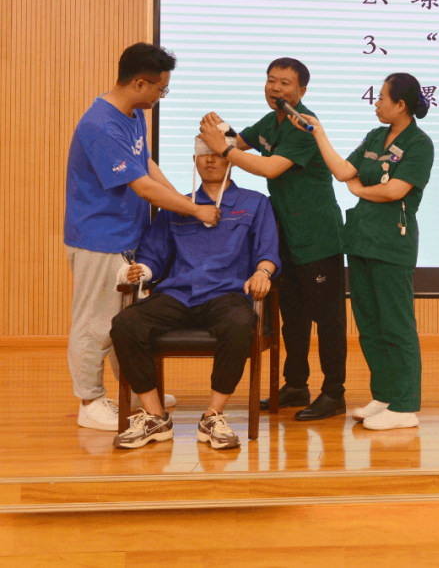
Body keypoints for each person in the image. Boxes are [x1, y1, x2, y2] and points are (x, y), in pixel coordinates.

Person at [64, 44, 220, 431]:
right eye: (160, 89)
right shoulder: (100, 126)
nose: (161, 96)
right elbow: (143, 187)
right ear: (139, 83)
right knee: (95, 322)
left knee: (125, 321)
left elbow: (145, 164)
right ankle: (90, 402)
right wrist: (194, 210)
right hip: (99, 239)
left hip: (129, 236)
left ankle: (135, 389)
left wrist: (181, 200)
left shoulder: (132, 115)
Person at [199, 58, 346, 421]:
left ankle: (334, 393)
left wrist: (224, 148)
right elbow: (238, 142)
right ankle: (296, 385)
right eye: (271, 81)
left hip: (317, 237)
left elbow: (269, 167)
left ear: (301, 91)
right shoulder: (270, 121)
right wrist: (219, 129)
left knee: (328, 320)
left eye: (284, 83)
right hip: (285, 236)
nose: (275, 88)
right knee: (292, 317)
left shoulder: (304, 125)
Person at [110, 139, 280, 449]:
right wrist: (141, 271)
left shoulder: (255, 202)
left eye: (217, 154)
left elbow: (267, 252)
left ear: (231, 159)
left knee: (240, 324)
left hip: (227, 294)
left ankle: (213, 417)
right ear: (194, 160)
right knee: (124, 324)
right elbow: (153, 255)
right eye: (203, 155)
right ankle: (155, 417)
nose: (210, 160)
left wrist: (262, 272)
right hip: (179, 295)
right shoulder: (177, 205)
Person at [292, 73, 434, 431]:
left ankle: (405, 406)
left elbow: (395, 191)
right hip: (360, 240)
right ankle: (384, 396)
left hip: (391, 244)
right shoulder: (375, 136)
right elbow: (343, 171)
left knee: (396, 325)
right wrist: (318, 132)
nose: (376, 102)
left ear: (400, 105)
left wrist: (359, 190)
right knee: (369, 325)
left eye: (382, 97)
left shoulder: (419, 143)